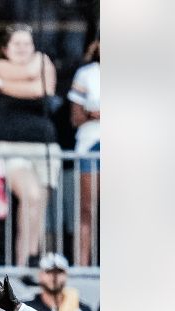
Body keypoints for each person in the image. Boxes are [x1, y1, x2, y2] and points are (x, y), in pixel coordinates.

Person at [0, 24, 59, 267]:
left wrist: (3, 85)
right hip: (10, 146)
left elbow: (44, 89)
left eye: (27, 44)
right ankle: (23, 262)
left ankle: (31, 259)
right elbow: (32, 84)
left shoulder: (42, 61)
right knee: (31, 194)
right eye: (16, 44)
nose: (22, 49)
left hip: (44, 146)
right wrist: (31, 75)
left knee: (38, 207)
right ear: (5, 48)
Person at [69, 40, 100, 266]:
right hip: (91, 145)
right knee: (87, 209)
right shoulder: (86, 74)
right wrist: (93, 114)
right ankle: (82, 264)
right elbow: (75, 117)